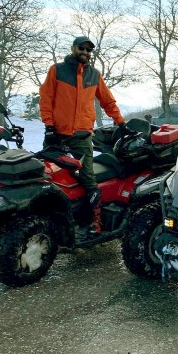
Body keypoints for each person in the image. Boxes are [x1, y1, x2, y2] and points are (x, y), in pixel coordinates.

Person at [39, 35, 125, 236]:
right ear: (73, 48)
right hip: (56, 136)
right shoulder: (57, 70)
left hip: (81, 137)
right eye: (81, 48)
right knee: (47, 176)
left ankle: (95, 220)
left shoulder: (94, 75)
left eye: (88, 50)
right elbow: (46, 99)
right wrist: (49, 126)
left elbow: (108, 102)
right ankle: (45, 217)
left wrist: (120, 122)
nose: (85, 52)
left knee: (87, 177)